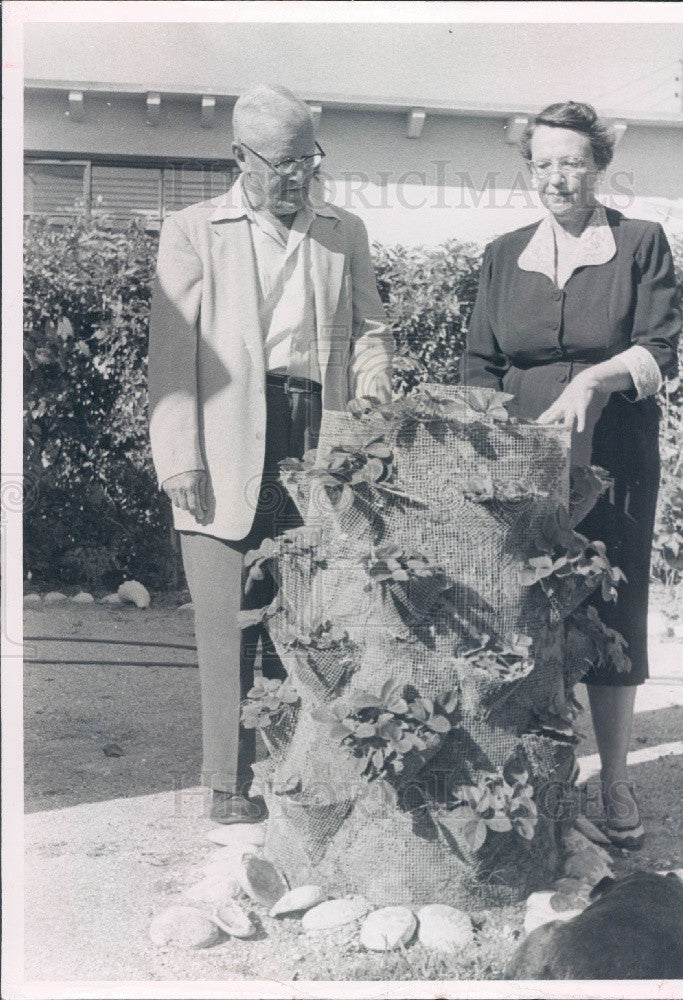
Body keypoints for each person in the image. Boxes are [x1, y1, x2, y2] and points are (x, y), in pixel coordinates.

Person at [148, 84, 392, 824]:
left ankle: (300, 776)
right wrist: (179, 456)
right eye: (282, 163)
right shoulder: (193, 230)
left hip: (318, 432)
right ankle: (227, 782)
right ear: (240, 158)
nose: (297, 177)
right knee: (228, 619)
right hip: (222, 438)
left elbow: (371, 329)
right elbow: (171, 355)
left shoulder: (342, 230)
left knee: (312, 612)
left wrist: (375, 390)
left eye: (307, 160)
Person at [461, 101, 681, 849]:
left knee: (614, 608)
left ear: (599, 166)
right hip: (521, 460)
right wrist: (492, 443)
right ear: (530, 169)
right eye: (544, 163)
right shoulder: (502, 254)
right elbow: (479, 366)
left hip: (613, 455)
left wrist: (593, 382)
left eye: (573, 162)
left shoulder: (640, 244)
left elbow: (660, 351)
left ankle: (615, 779)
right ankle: (537, 781)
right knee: (525, 612)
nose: (559, 177)